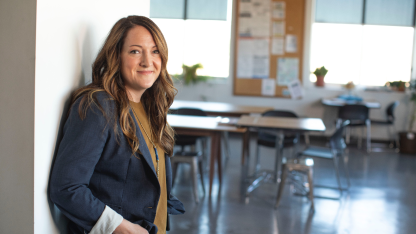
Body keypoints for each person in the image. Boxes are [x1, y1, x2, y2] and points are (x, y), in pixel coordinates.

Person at [49, 16, 185, 234]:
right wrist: (123, 228)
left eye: (155, 51)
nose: (148, 62)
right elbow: (66, 187)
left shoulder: (152, 107)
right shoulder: (98, 105)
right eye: (135, 51)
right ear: (116, 56)